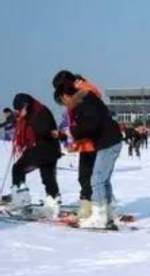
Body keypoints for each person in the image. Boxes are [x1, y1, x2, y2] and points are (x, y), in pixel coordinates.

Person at [54, 78, 123, 229]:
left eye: (62, 101)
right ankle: (107, 212)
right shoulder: (86, 98)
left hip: (109, 142)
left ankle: (99, 216)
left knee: (97, 179)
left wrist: (72, 131)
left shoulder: (85, 101)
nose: (64, 105)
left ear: (65, 95)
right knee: (102, 179)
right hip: (109, 141)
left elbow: (92, 123)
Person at [52, 70, 100, 220]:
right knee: (88, 175)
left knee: (87, 175)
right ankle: (92, 204)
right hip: (87, 142)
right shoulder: (82, 90)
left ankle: (90, 207)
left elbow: (86, 118)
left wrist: (72, 132)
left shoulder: (84, 92)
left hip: (92, 141)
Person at [7, 94, 62, 217]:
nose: (19, 112)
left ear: (25, 105)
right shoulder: (38, 109)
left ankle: (21, 199)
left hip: (41, 149)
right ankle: (53, 200)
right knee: (48, 176)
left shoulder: (39, 113)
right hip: (50, 150)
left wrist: (27, 121)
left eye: (20, 109)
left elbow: (44, 130)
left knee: (18, 169)